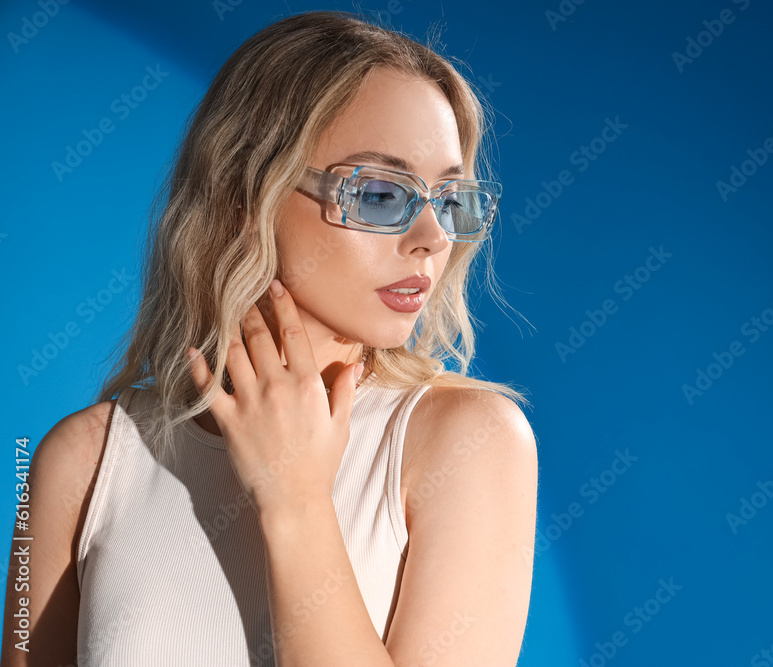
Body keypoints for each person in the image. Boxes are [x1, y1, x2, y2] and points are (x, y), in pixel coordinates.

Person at [0, 10, 538, 667]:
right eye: (377, 192)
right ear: (243, 193)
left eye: (450, 199)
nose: (432, 238)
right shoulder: (82, 461)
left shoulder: (471, 441)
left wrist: (298, 499)